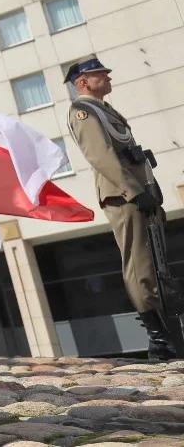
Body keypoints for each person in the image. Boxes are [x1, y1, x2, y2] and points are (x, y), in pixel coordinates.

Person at [65, 56, 176, 360]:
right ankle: (158, 338)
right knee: (139, 264)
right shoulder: (83, 112)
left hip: (139, 193)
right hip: (122, 196)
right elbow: (101, 157)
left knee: (155, 264)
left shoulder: (105, 110)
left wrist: (150, 191)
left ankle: (168, 332)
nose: (108, 77)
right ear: (82, 82)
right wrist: (134, 192)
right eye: (100, 74)